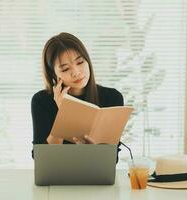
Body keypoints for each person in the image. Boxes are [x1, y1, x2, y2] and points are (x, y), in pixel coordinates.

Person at [31, 32, 123, 162]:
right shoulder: (41, 101)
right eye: (65, 69)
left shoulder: (112, 98)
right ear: (54, 74)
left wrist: (94, 151)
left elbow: (112, 159)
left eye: (80, 62)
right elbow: (42, 159)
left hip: (96, 177)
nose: (76, 72)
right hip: (56, 178)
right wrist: (63, 113)